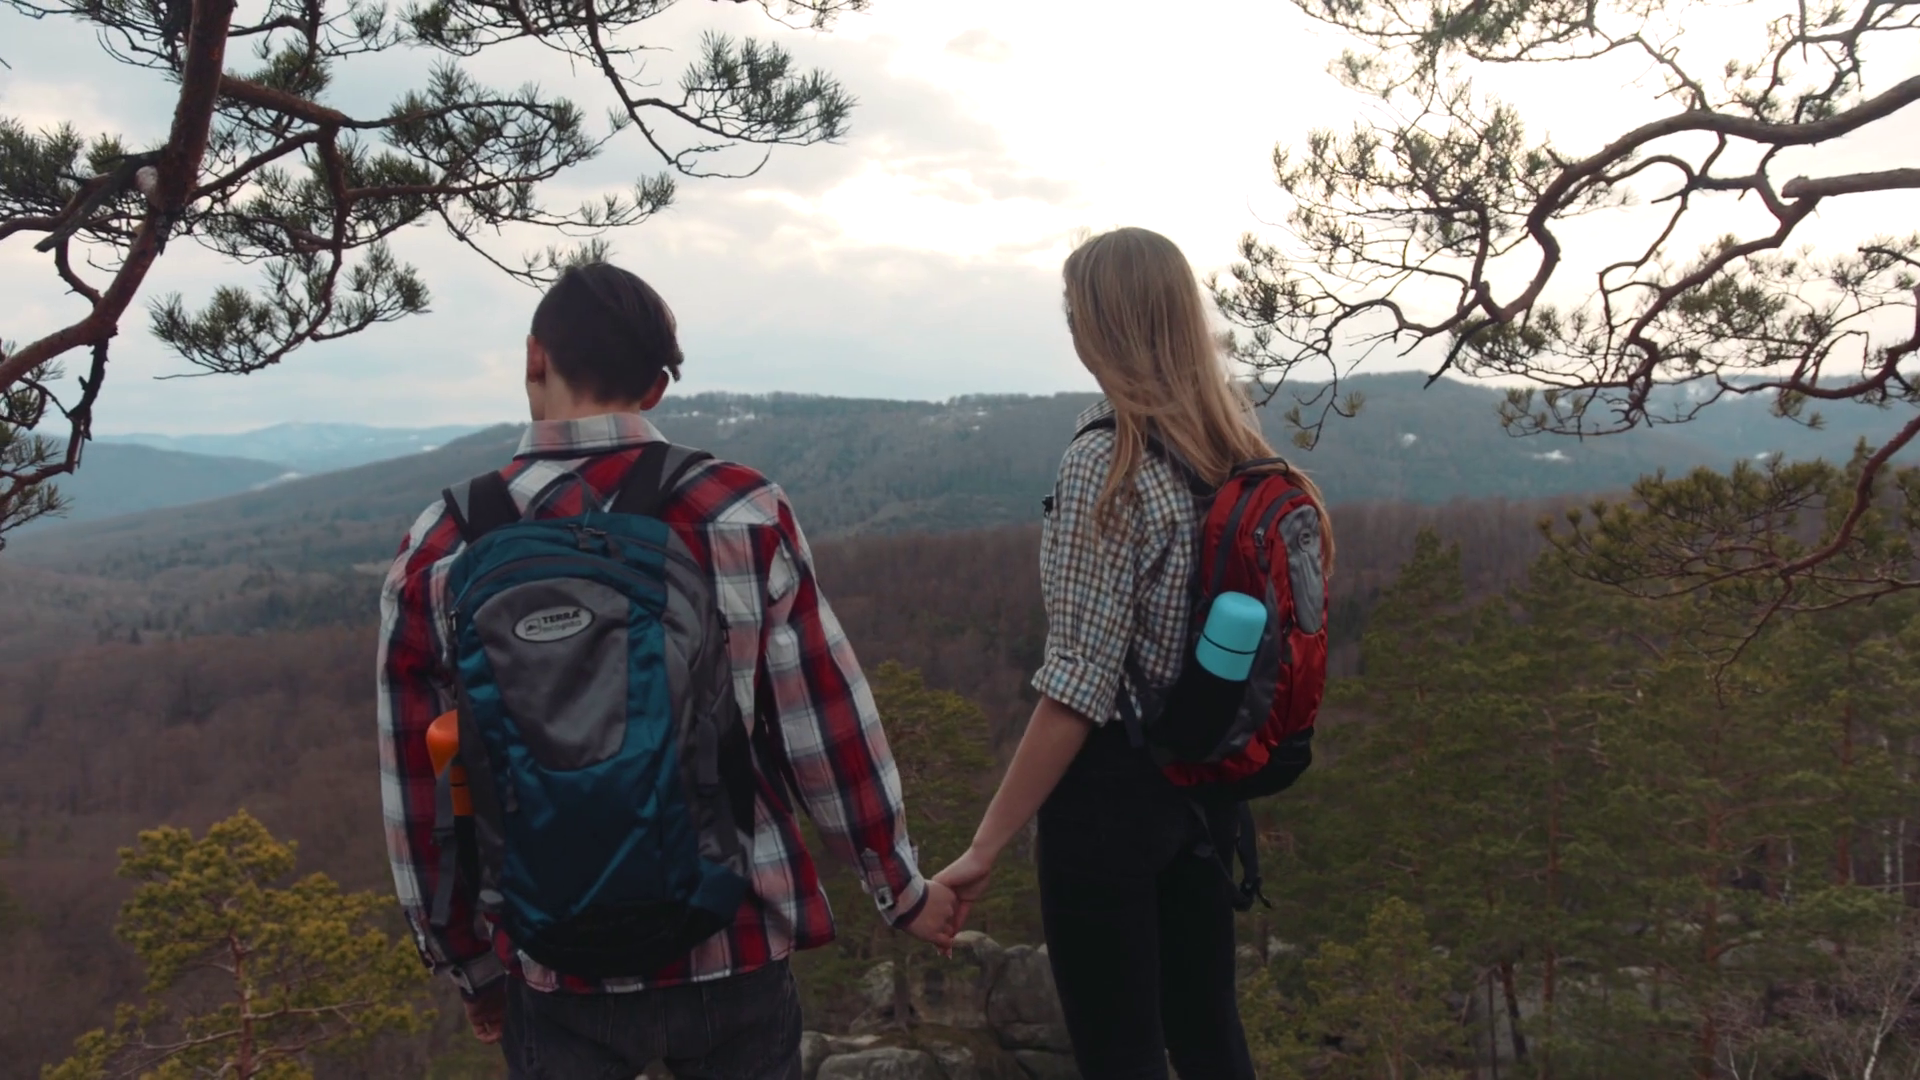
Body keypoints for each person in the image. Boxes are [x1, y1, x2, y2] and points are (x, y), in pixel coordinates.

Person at [377, 262, 958, 1080]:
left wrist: (467, 963)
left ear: (533, 357)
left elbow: (420, 786)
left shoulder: (442, 544)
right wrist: (899, 888)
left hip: (554, 966)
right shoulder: (740, 510)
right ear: (654, 388)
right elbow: (824, 728)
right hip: (736, 940)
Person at [934, 227, 1337, 1080]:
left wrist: (985, 845)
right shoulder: (1233, 454)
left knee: (1119, 1053)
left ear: (1099, 329)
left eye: (1075, 311)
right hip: (1204, 793)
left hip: (1109, 805)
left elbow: (1077, 685)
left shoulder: (1107, 462)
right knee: (1209, 1035)